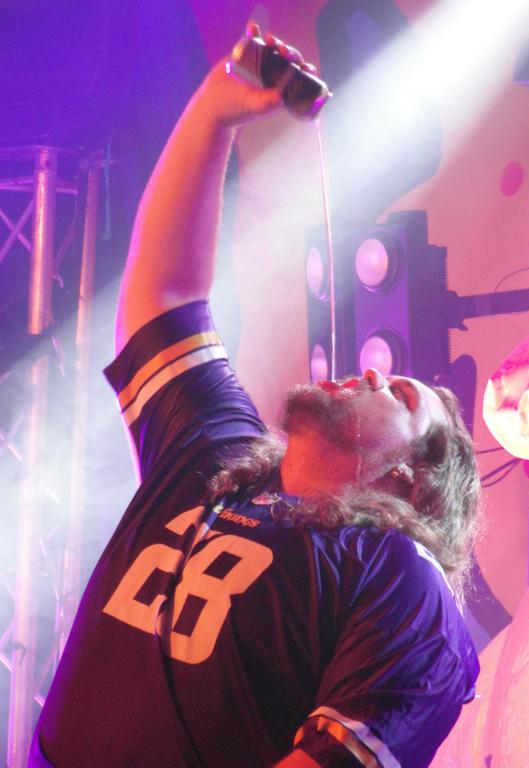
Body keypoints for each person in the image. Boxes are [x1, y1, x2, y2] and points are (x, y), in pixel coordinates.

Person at [31, 27, 481, 768]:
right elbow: (164, 297)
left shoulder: (400, 580)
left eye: (401, 394)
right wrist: (216, 112)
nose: (373, 375)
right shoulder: (219, 457)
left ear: (408, 480)